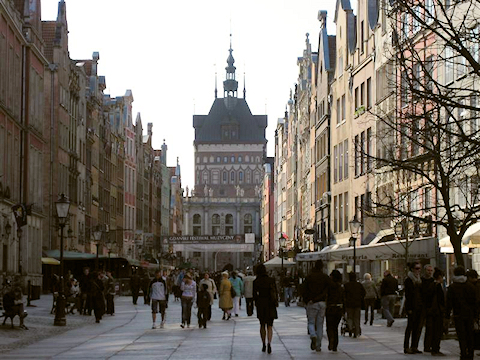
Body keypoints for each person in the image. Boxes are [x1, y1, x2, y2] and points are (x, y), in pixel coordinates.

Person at [446, 266, 477, 360]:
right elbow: (474, 301)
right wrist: (475, 314)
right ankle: (470, 353)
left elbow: (448, 302)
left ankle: (463, 352)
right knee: (470, 334)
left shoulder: (452, 287)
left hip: (458, 314)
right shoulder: (470, 286)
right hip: (469, 314)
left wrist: (447, 315)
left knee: (461, 335)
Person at [303, 259, 333, 352]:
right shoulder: (325, 277)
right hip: (322, 303)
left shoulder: (309, 277)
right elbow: (331, 287)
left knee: (311, 322)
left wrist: (306, 300)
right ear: (322, 267)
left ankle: (313, 335)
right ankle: (318, 346)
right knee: (320, 324)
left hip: (312, 303)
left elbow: (304, 289)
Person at [253, 263, 278, 354]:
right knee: (270, 326)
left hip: (261, 304)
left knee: (262, 325)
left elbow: (254, 295)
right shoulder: (271, 280)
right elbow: (275, 292)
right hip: (270, 304)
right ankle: (269, 343)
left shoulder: (256, 281)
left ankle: (263, 343)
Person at [404, 261, 424, 354]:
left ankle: (414, 346)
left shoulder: (420, 279)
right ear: (412, 269)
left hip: (419, 306)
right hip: (412, 306)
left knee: (418, 327)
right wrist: (409, 308)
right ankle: (406, 347)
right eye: (416, 268)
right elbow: (408, 295)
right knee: (410, 327)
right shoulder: (409, 280)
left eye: (419, 268)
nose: (418, 271)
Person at [428, 268, 446, 356]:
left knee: (434, 330)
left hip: (432, 311)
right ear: (439, 277)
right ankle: (435, 348)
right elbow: (441, 300)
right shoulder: (438, 286)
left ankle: (433, 347)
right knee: (438, 330)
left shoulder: (432, 285)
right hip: (437, 311)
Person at [326, 270, 344, 352]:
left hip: (330, 307)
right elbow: (344, 298)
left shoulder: (329, 286)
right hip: (339, 308)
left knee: (329, 326)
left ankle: (331, 341)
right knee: (335, 327)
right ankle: (335, 345)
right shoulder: (341, 287)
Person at [344, 272, 366, 338]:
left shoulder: (346, 285)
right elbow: (364, 293)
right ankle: (356, 330)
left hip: (349, 304)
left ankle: (350, 328)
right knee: (356, 318)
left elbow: (343, 294)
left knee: (350, 317)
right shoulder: (359, 285)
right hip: (357, 303)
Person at [421, 264, 435, 352]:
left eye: (431, 271)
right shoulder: (421, 281)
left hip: (431, 307)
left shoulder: (433, 281)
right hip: (422, 306)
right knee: (419, 326)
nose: (429, 272)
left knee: (430, 327)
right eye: (428, 270)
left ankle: (427, 346)